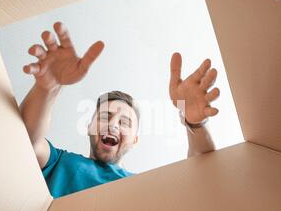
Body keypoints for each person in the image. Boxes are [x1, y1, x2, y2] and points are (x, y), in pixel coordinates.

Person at [19, 22, 220, 198]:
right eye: (105, 116)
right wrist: (48, 87)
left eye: (125, 122)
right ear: (89, 126)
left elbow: (202, 179)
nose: (113, 124)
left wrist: (195, 123)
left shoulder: (145, 188)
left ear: (135, 139)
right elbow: (25, 142)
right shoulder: (60, 162)